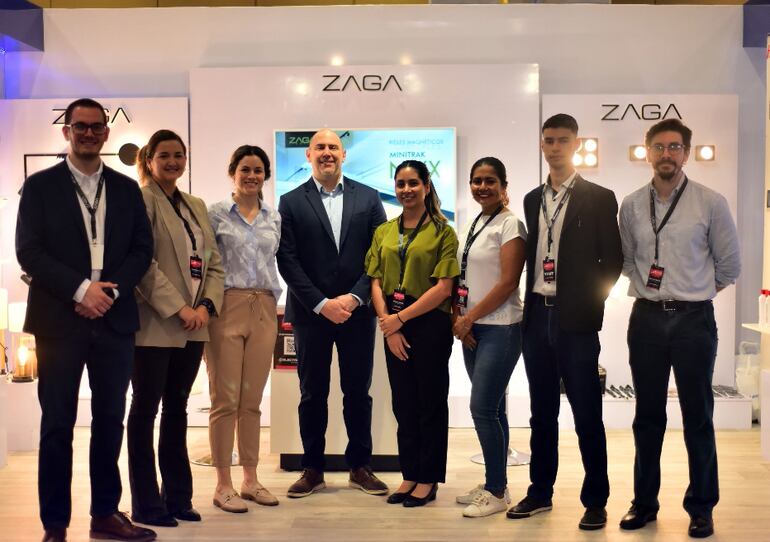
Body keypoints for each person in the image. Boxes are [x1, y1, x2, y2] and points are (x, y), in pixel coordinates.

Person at [16, 98, 156, 542]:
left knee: (110, 420)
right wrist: (81, 290)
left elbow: (141, 249)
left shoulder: (125, 188)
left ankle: (105, 514)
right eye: (81, 127)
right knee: (57, 424)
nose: (89, 134)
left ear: (107, 134)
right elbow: (29, 250)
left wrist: (107, 291)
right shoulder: (39, 187)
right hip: (60, 318)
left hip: (113, 318)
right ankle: (55, 524)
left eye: (97, 127)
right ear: (67, 132)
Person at [618, 119, 740, 539]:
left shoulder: (711, 202)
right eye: (659, 147)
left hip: (694, 320)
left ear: (686, 153)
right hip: (647, 319)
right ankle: (644, 503)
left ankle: (702, 506)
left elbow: (729, 266)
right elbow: (627, 259)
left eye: (674, 147)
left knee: (698, 417)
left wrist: (693, 290)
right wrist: (660, 291)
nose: (666, 154)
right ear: (647, 152)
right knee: (646, 416)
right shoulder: (632, 205)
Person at [508, 114, 623, 530]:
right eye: (548, 140)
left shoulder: (599, 196)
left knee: (587, 412)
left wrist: (591, 305)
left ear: (576, 145)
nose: (554, 147)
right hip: (537, 315)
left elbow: (613, 260)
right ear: (542, 145)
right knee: (542, 413)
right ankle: (540, 492)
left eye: (562, 140)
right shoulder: (531, 198)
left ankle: (595, 500)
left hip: (576, 320)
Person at [276, 129, 388, 498]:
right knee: (312, 393)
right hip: (312, 315)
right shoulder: (290, 202)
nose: (327, 153)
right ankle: (313, 469)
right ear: (308, 155)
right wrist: (323, 304)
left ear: (344, 155)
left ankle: (360, 466)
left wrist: (355, 299)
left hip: (357, 313)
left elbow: (379, 254)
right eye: (320, 147)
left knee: (359, 393)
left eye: (333, 147)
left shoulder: (369, 198)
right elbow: (287, 259)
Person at [127, 129, 224, 527]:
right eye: (164, 155)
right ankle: (147, 505)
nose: (172, 162)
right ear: (149, 160)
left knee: (178, 409)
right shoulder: (140, 200)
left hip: (194, 325)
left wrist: (204, 306)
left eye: (178, 155)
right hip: (154, 324)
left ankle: (178, 498)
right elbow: (141, 264)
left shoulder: (196, 204)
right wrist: (179, 307)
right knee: (145, 410)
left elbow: (213, 261)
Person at [366, 159, 459, 508]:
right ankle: (410, 474)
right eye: (401, 183)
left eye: (413, 183)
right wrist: (388, 324)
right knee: (403, 403)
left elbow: (445, 287)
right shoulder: (384, 232)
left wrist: (399, 318)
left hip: (428, 324)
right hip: (393, 324)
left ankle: (429, 477)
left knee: (430, 403)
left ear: (426, 186)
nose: (406, 190)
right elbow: (375, 281)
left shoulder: (443, 231)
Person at [205, 145, 282, 512]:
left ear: (265, 175)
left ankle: (251, 479)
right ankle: (223, 484)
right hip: (226, 305)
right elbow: (204, 264)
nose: (252, 176)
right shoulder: (215, 213)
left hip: (265, 306)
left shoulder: (274, 216)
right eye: (245, 169)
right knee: (225, 400)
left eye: (258, 170)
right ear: (232, 171)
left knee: (251, 402)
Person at [452, 157, 526, 517]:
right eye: (477, 180)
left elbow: (509, 282)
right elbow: (461, 277)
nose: (483, 187)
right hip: (473, 328)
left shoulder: (511, 224)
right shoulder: (474, 222)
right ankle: (495, 482)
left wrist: (469, 319)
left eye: (490, 181)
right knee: (494, 408)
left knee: (481, 407)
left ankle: (496, 492)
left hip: (502, 328)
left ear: (503, 185)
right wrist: (460, 318)